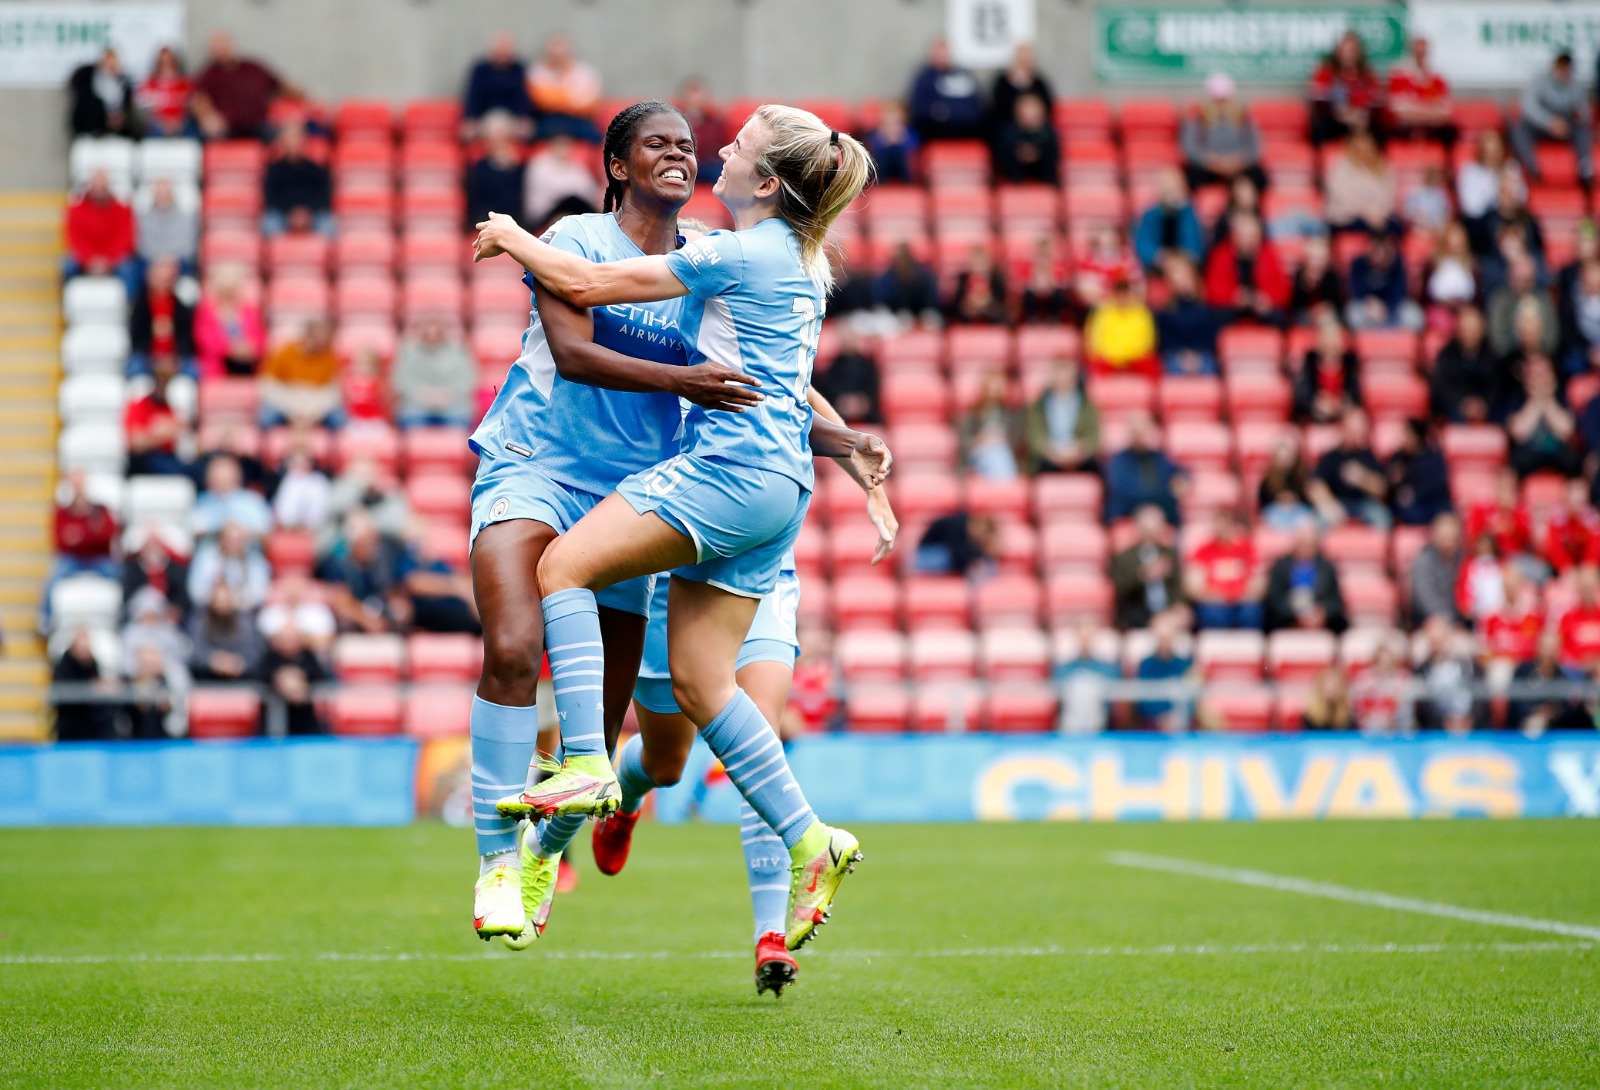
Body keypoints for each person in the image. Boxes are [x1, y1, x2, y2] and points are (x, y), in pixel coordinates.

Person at [471, 104, 883, 958]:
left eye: (721, 147)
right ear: (616, 165)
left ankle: (584, 767)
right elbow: (774, 374)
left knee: (565, 575)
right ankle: (813, 841)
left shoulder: (726, 250)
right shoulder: (788, 258)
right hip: (748, 490)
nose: (704, 152)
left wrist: (510, 232)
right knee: (697, 693)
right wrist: (846, 448)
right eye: (668, 141)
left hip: (710, 483)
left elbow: (591, 295)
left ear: (764, 182)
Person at [592, 401, 895, 996]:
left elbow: (796, 394)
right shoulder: (669, 330)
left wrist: (867, 479)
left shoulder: (756, 325)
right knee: (667, 763)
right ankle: (625, 798)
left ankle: (770, 937)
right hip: (668, 567)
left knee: (757, 739)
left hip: (756, 562)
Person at [1511, 51, 1593, 186]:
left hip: (1566, 128)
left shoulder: (1576, 86)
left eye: (1566, 67)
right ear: (1554, 66)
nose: (1563, 71)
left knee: (1582, 129)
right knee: (1520, 127)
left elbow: (1585, 112)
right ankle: (1530, 166)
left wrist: (1579, 114)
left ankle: (1584, 166)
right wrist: (1549, 122)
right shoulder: (1540, 81)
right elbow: (1529, 107)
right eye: (1560, 66)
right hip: (1542, 127)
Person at [1181, 72, 1266, 192]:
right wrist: (1212, 161)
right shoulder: (1197, 119)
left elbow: (1255, 148)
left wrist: (1238, 161)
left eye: (1224, 101)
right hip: (1207, 168)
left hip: (1238, 167)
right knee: (1191, 177)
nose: (1221, 106)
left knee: (1259, 178)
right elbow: (1190, 148)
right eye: (1216, 101)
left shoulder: (1245, 119)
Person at [192, 31, 282, 141]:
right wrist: (209, 117)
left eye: (223, 46)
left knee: (283, 137)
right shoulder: (209, 74)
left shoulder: (253, 68)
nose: (221, 51)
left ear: (231, 44)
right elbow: (199, 101)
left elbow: (280, 85)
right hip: (227, 127)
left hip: (258, 124)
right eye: (216, 48)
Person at [1263, 517, 1348, 633]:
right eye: (1302, 544)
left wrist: (1322, 613)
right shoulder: (1280, 566)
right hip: (1287, 619)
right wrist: (1297, 614)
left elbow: (1336, 601)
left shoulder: (1327, 567)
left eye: (1309, 544)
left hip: (1322, 620)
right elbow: (1275, 599)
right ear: (1294, 543)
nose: (1305, 548)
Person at [392, 313, 477, 428]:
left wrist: (447, 395)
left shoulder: (458, 351)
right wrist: (423, 395)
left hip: (453, 404)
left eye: (437, 332)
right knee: (412, 421)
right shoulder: (408, 352)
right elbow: (401, 380)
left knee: (458, 422)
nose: (432, 336)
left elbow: (468, 379)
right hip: (416, 405)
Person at [1204, 212, 1289, 325]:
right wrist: (1233, 297)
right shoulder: (1221, 255)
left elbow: (1283, 289)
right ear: (1234, 235)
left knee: (1280, 319)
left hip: (1262, 308)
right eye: (1243, 235)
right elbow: (1213, 289)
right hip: (1230, 308)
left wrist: (1266, 300)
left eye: (1252, 236)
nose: (1248, 240)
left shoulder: (1269, 254)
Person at [1309, 407, 1389, 527]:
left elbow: (1382, 489)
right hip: (1338, 503)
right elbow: (1315, 485)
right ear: (1342, 429)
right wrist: (1328, 504)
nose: (1356, 434)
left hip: (1365, 504)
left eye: (1359, 430)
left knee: (1382, 516)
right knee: (1320, 520)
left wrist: (1362, 478)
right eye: (1352, 430)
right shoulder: (1331, 456)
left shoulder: (1369, 455)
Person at [1110, 504, 1184, 632]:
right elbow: (1120, 589)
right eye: (1147, 529)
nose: (1150, 534)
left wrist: (1178, 607)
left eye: (1154, 529)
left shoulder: (1170, 555)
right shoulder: (1125, 557)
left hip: (1168, 613)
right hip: (1138, 614)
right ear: (1138, 529)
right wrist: (1143, 575)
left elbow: (1178, 587)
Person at [1186, 509, 1263, 630]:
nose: (1221, 528)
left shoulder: (1247, 549)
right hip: (1214, 602)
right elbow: (1194, 586)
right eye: (1218, 524)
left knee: (1250, 613)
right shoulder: (1203, 551)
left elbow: (1258, 581)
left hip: (1241, 601)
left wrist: (1241, 595)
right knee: (1213, 614)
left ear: (1232, 525)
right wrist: (1214, 596)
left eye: (1225, 524)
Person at [63, 170, 138, 295]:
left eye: (103, 186)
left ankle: (130, 307)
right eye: (97, 186)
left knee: (129, 269)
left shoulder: (122, 210)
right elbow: (74, 239)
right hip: (86, 260)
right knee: (68, 266)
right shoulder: (76, 210)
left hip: (114, 260)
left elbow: (126, 239)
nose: (100, 190)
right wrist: (89, 260)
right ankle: (68, 305)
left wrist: (109, 260)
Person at [1105, 411, 1187, 525]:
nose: (1140, 436)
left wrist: (1182, 480)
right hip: (1129, 514)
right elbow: (1125, 492)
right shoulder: (1118, 460)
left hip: (1162, 513)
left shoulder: (1158, 457)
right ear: (1129, 434)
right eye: (1136, 432)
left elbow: (1179, 471)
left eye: (1143, 431)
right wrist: (1164, 495)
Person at [1506, 354, 1581, 478]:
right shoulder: (1516, 398)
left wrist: (1548, 401)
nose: (1540, 379)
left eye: (1544, 374)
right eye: (1535, 375)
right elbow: (1519, 433)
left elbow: (1566, 431)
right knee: (1516, 461)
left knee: (1573, 461)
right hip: (1528, 454)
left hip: (1558, 453)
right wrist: (1535, 401)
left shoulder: (1562, 396)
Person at [259, 318, 342, 428]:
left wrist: (314, 413)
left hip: (315, 402)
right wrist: (291, 411)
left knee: (339, 420)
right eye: (319, 337)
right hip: (286, 400)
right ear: (308, 335)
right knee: (265, 419)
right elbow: (268, 386)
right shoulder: (284, 353)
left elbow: (331, 391)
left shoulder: (330, 357)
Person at [1024, 357, 1099, 474]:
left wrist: (1079, 452)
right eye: (1059, 379)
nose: (1063, 382)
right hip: (1049, 458)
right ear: (1052, 379)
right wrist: (1052, 452)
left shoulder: (1087, 405)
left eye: (1066, 379)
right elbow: (1035, 438)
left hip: (1080, 458)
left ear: (1074, 379)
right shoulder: (1038, 406)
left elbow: (1094, 439)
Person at [1308, 30, 1382, 145]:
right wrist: (1343, 114)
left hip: (1361, 120)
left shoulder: (1367, 75)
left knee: (1378, 128)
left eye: (1352, 50)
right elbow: (1319, 99)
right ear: (1338, 51)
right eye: (1345, 50)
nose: (1348, 54)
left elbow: (1373, 100)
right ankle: (1320, 159)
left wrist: (1357, 114)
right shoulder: (1326, 71)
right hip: (1334, 121)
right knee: (1318, 124)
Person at [123, 361, 194, 478]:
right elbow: (136, 443)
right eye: (160, 380)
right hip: (145, 461)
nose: (163, 385)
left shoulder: (175, 407)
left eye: (167, 381)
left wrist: (155, 432)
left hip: (171, 458)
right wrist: (163, 433)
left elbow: (186, 431)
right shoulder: (139, 405)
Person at [193, 264, 265, 378]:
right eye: (226, 289)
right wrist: (230, 349)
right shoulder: (206, 312)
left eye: (232, 289)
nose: (229, 293)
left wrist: (249, 348)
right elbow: (205, 340)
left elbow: (259, 339)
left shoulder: (250, 311)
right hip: (218, 365)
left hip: (248, 364)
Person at [1509, 630, 1588, 735]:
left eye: (1553, 648)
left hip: (1555, 729)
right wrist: (1535, 711)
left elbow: (1569, 706)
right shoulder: (1523, 671)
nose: (1549, 653)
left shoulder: (1563, 676)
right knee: (1535, 725)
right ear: (1538, 647)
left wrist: (1555, 712)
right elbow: (1515, 704)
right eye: (1546, 647)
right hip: (1523, 728)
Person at [262, 121, 332, 238]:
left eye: (297, 139)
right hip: (283, 214)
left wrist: (306, 213)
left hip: (312, 214)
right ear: (282, 143)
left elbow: (323, 196)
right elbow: (271, 198)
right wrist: (291, 213)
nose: (293, 143)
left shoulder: (317, 170)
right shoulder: (274, 171)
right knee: (269, 224)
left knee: (328, 225)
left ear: (305, 142)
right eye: (290, 139)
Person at [526, 34, 602, 142]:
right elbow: (540, 100)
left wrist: (556, 95)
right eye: (554, 55)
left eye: (561, 54)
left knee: (600, 140)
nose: (558, 58)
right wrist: (569, 96)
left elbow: (589, 104)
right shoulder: (537, 71)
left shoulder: (584, 72)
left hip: (577, 120)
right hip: (548, 119)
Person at [255, 625, 329, 735]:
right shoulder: (270, 657)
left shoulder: (308, 657)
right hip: (272, 726)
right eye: (284, 639)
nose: (287, 643)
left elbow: (325, 677)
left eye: (291, 639)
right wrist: (280, 678)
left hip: (306, 723)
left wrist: (300, 678)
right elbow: (257, 675)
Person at [1430, 305, 1497, 424]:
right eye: (1466, 330)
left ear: (1482, 331)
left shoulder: (1492, 355)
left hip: (1486, 408)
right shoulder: (1447, 355)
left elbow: (1496, 387)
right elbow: (1441, 388)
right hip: (1455, 408)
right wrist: (1464, 403)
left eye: (1474, 331)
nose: (1470, 335)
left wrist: (1482, 404)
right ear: (1458, 331)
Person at [908, 39, 984, 143]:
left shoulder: (964, 75)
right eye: (939, 55)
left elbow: (978, 104)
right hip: (938, 127)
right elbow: (918, 107)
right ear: (932, 55)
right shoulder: (925, 78)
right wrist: (940, 112)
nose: (942, 59)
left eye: (945, 54)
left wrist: (955, 112)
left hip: (967, 126)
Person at [128, 257, 195, 375]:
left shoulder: (182, 308)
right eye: (161, 279)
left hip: (175, 358)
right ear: (150, 278)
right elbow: (136, 339)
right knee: (136, 370)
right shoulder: (140, 306)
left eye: (168, 280)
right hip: (147, 358)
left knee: (191, 371)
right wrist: (152, 358)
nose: (164, 284)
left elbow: (187, 340)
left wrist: (175, 358)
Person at [1325, 130, 1399, 237]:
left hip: (1378, 216)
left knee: (1396, 227)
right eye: (1360, 150)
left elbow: (1389, 194)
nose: (1364, 153)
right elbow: (1341, 196)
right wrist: (1366, 212)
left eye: (1367, 150)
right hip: (1347, 217)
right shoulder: (1341, 167)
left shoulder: (1383, 167)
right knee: (1379, 230)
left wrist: (1380, 212)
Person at [462, 31, 533, 140]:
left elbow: (523, 97)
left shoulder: (518, 69)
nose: (502, 54)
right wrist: (471, 119)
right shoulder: (480, 70)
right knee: (494, 127)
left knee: (510, 129)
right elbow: (473, 96)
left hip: (511, 119)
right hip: (485, 118)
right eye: (499, 51)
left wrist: (523, 118)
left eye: (505, 50)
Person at [1345, 231, 1423, 331]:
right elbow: (1356, 291)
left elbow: (1399, 291)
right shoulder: (1358, 264)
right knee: (1353, 313)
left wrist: (1386, 308)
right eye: (1374, 250)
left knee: (1413, 314)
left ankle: (1397, 338)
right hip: (1367, 307)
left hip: (1391, 308)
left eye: (1381, 251)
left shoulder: (1396, 263)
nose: (1377, 255)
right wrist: (1369, 304)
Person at [1084, 275, 1157, 377]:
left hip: (1134, 359)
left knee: (1152, 366)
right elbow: (1094, 341)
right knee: (1093, 367)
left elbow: (1148, 342)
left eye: (1125, 293)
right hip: (1109, 359)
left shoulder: (1142, 313)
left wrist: (1127, 358)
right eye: (1119, 293)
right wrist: (1115, 358)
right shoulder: (1103, 312)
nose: (1122, 297)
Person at [1134, 168, 1204, 274]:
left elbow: (1194, 244)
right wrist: (1160, 257)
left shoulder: (1189, 212)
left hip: (1185, 267)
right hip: (1157, 267)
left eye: (1173, 188)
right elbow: (1143, 244)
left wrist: (1182, 259)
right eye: (1166, 188)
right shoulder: (1151, 214)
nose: (1170, 192)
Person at [1293, 314, 1361, 424]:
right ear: (1318, 339)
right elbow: (1302, 396)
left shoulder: (1349, 362)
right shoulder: (1310, 361)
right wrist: (1317, 403)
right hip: (1315, 416)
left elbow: (1355, 396)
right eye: (1326, 336)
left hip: (1343, 416)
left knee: (1356, 420)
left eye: (1333, 336)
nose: (1330, 341)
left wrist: (1341, 404)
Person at [188, 522, 270, 613]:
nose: (233, 544)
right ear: (222, 539)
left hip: (242, 613)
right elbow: (196, 590)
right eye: (229, 540)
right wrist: (217, 600)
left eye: (238, 540)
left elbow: (259, 593)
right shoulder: (206, 557)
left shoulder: (255, 561)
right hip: (208, 612)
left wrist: (232, 601)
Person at [523, 134, 603, 228]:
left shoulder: (575, 166)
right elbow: (553, 192)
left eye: (567, 145)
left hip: (571, 212)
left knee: (575, 202)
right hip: (543, 213)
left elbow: (591, 192)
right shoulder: (539, 163)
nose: (564, 148)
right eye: (560, 144)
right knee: (571, 200)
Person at [1134, 611, 1196, 732]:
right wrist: (1160, 718)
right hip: (1151, 727)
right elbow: (1142, 699)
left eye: (1168, 637)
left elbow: (1191, 698)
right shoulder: (1145, 665)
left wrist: (1177, 717)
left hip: (1180, 727)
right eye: (1162, 637)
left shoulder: (1185, 665)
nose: (1165, 641)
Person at [1458, 131, 1524, 242]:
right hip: (1482, 225)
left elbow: (1521, 197)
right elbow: (1471, 207)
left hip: (1509, 222)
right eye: (1488, 151)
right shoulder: (1470, 172)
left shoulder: (1511, 167)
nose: (1492, 155)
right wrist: (1498, 190)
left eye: (1496, 150)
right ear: (1481, 151)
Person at [465, 110, 526, 228]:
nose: (499, 142)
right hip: (486, 222)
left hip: (517, 224)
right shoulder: (478, 169)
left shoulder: (521, 169)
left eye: (503, 136)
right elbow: (475, 204)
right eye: (495, 137)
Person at [957, 369, 1023, 480]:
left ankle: (1001, 487)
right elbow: (965, 443)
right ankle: (1005, 487)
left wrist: (1002, 437)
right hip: (980, 452)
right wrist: (981, 439)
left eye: (998, 387)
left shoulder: (1009, 413)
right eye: (992, 387)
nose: (994, 391)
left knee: (999, 453)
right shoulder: (974, 412)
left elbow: (1017, 442)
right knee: (996, 455)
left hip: (1003, 450)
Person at [1385, 36, 1453, 142]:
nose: (1420, 54)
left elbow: (1445, 110)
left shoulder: (1438, 77)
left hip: (1433, 126)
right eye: (1417, 51)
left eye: (1423, 51)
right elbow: (1397, 110)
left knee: (1451, 131)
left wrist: (1416, 110)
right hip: (1407, 126)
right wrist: (1429, 109)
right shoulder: (1399, 75)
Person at [1387, 419, 1453, 527]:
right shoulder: (1398, 457)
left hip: (1433, 502)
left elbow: (1439, 484)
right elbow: (1390, 488)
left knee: (1445, 511)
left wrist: (1415, 493)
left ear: (1417, 437)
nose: (1404, 438)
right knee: (1402, 506)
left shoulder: (1434, 456)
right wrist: (1394, 481)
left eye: (1408, 434)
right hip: (1413, 507)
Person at [52, 630, 115, 741]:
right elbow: (63, 692)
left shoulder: (92, 663)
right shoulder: (63, 666)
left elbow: (96, 683)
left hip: (90, 722)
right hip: (70, 724)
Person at [812, 325, 882, 424]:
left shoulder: (870, 368)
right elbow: (826, 392)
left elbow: (874, 394)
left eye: (854, 338)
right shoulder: (832, 368)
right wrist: (841, 402)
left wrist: (861, 404)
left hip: (868, 417)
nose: (851, 342)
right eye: (847, 338)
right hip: (838, 415)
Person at [192, 454, 273, 540]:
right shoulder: (201, 502)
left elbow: (266, 532)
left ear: (237, 477)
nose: (221, 479)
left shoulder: (253, 501)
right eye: (217, 476)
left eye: (225, 476)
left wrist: (239, 534)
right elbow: (193, 531)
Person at [990, 43, 1053, 140]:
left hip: (1036, 127)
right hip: (1010, 127)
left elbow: (1047, 105)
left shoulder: (1039, 83)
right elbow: (998, 107)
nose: (1025, 61)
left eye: (1028, 57)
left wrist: (1034, 116)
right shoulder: (1003, 82)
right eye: (1022, 57)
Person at [992, 94, 1059, 185]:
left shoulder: (1048, 133)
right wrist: (1019, 153)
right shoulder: (1007, 133)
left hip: (1044, 181)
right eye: (1026, 107)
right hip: (1012, 182)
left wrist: (1038, 153)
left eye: (1033, 107)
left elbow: (1054, 158)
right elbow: (1000, 159)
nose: (1030, 111)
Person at [68, 48, 135, 137]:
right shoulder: (86, 79)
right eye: (108, 65)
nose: (110, 69)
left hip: (119, 130)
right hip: (91, 128)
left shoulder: (124, 83)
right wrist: (104, 118)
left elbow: (126, 106)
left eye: (113, 66)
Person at [1411, 512, 1465, 624]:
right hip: (1429, 623)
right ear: (1434, 537)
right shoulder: (1423, 562)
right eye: (1444, 538)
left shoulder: (1463, 560)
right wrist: (1448, 620)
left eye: (1452, 538)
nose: (1448, 544)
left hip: (1460, 623)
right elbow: (1425, 601)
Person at [915, 510, 999, 577]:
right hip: (927, 554)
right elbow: (955, 553)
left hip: (948, 556)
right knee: (945, 556)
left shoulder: (970, 534)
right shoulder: (956, 525)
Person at [137, 178, 199, 269]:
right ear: (153, 195)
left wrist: (169, 259)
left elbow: (188, 246)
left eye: (166, 193)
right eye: (159, 193)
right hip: (151, 262)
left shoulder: (186, 218)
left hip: (179, 262)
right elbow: (142, 246)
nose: (163, 197)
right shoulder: (143, 219)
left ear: (173, 195)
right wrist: (159, 259)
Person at [676, 79, 728, 186]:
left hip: (707, 165)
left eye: (699, 100)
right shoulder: (675, 121)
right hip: (684, 162)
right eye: (692, 100)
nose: (695, 104)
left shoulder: (715, 121)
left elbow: (717, 145)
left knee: (722, 171)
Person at [1544, 478, 1600, 576]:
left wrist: (1589, 567)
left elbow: (1596, 545)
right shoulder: (1556, 518)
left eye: (1580, 494)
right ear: (1565, 496)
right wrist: (1566, 568)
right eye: (1573, 493)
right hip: (1561, 570)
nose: (1576, 499)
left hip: (1588, 570)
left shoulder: (1593, 519)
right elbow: (1554, 548)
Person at [1287, 234, 1345, 328]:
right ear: (1305, 259)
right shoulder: (1298, 276)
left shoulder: (1331, 277)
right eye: (1313, 258)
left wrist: (1324, 308)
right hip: (1302, 317)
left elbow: (1337, 304)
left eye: (1320, 258)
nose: (1316, 262)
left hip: (1326, 318)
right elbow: (1293, 306)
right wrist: (1307, 284)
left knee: (1328, 319)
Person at [1257, 437, 1316, 529]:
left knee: (1307, 520)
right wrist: (1280, 501)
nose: (1284, 461)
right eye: (1281, 458)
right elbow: (1263, 504)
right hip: (1277, 513)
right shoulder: (1268, 479)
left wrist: (1293, 501)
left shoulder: (1301, 476)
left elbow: (1308, 500)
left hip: (1298, 512)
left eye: (1287, 458)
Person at [1424, 221, 1478, 320]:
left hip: (1464, 309)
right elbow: (1427, 294)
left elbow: (1476, 295)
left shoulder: (1472, 264)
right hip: (1439, 309)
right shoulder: (1434, 264)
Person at [135, 46, 192, 137]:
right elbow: (141, 110)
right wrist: (161, 123)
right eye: (162, 62)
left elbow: (191, 107)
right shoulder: (148, 85)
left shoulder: (186, 84)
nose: (166, 65)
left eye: (169, 61)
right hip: (156, 127)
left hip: (182, 127)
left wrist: (178, 122)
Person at [945, 244, 1008, 325]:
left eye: (981, 261)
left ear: (988, 262)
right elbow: (957, 303)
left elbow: (1001, 301)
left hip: (992, 314)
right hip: (966, 316)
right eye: (975, 261)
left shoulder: (996, 279)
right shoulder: (963, 279)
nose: (977, 265)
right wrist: (967, 304)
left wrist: (987, 303)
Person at [270, 450, 331, 533]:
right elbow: (281, 512)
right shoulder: (288, 480)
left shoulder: (319, 481)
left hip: (315, 530)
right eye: (296, 462)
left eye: (302, 461)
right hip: (289, 529)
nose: (299, 465)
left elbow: (322, 512)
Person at [875, 242, 939, 319]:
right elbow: (883, 301)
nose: (901, 262)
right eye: (897, 259)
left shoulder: (923, 276)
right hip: (896, 315)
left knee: (931, 318)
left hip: (921, 313)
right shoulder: (887, 278)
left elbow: (930, 301)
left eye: (903, 257)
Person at [1559, 258, 1600, 379]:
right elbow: (1569, 333)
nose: (1594, 286)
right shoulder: (1570, 302)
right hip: (1583, 351)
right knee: (1572, 362)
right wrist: (1589, 352)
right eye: (1590, 282)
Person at [864, 100, 918, 185]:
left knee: (901, 152)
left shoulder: (908, 132)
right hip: (883, 167)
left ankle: (907, 184)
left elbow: (914, 145)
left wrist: (901, 138)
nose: (891, 119)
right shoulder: (876, 133)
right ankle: (881, 183)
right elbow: (871, 145)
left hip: (902, 166)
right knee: (881, 154)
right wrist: (883, 138)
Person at [1559, 566, 1600, 668]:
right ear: (1579, 589)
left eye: (1590, 588)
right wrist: (1581, 662)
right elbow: (1563, 650)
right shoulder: (1568, 618)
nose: (1588, 592)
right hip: (1576, 670)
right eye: (1585, 588)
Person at [1300, 665, 1354, 731]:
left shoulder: (1348, 716)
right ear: (1319, 689)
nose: (1331, 692)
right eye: (1327, 688)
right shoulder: (1309, 716)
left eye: (1334, 688)